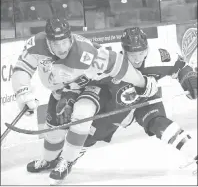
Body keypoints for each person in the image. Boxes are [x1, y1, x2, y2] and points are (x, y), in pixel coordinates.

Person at [11, 18, 158, 185]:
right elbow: (21, 68)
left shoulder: (84, 51)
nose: (61, 49)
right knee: (54, 132)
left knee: (82, 114)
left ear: (70, 38)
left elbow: (118, 64)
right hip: (61, 92)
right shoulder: (35, 44)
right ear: (47, 40)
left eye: (64, 42)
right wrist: (22, 92)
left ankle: (67, 161)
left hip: (91, 87)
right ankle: (49, 160)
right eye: (55, 43)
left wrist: (142, 83)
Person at [55, 27, 197, 179]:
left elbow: (181, 66)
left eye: (141, 53)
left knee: (160, 124)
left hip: (147, 100)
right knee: (90, 134)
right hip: (117, 107)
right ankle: (68, 159)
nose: (137, 59)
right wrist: (68, 99)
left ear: (147, 48)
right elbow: (80, 82)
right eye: (132, 54)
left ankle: (194, 153)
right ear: (124, 50)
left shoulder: (159, 57)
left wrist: (189, 78)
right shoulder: (111, 63)